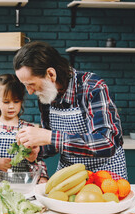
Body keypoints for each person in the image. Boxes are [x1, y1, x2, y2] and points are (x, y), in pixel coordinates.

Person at [13, 41, 127, 179]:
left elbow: (107, 143)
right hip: (70, 176)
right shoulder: (47, 94)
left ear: (50, 74)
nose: (30, 92)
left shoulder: (91, 87)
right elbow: (53, 144)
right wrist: (37, 150)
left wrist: (48, 136)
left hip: (105, 175)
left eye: (31, 84)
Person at [0, 74, 49, 184]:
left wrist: (42, 177)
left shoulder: (28, 129)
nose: (11, 106)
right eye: (6, 102)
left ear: (21, 101)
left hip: (22, 187)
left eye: (16, 101)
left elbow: (38, 160)